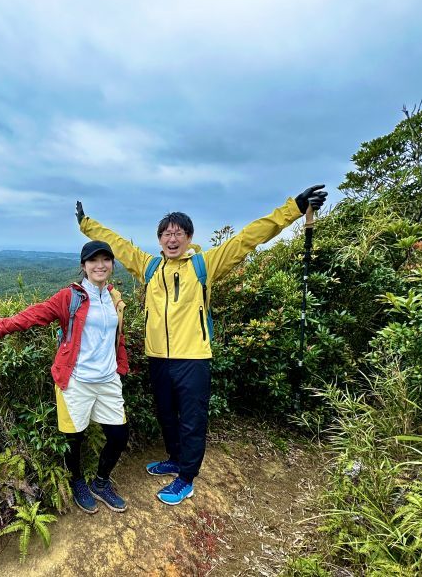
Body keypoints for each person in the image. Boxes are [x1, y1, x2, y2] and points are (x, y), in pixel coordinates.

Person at [75, 185, 328, 505]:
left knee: (192, 418)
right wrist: (87, 224)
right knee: (166, 415)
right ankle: (175, 459)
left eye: (179, 232)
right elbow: (118, 245)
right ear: (159, 239)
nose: (172, 238)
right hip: (158, 357)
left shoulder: (204, 265)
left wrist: (295, 208)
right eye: (166, 233)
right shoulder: (149, 267)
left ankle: (186, 478)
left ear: (190, 238)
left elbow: (248, 238)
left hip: (193, 358)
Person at [0, 240, 131, 514]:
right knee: (74, 438)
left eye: (105, 260)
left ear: (112, 265)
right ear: (84, 266)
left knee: (119, 435)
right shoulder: (70, 297)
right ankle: (78, 481)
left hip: (107, 380)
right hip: (75, 380)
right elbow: (33, 315)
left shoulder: (114, 297)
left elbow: (117, 337)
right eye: (93, 260)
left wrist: (121, 367)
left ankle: (101, 483)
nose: (100, 265)